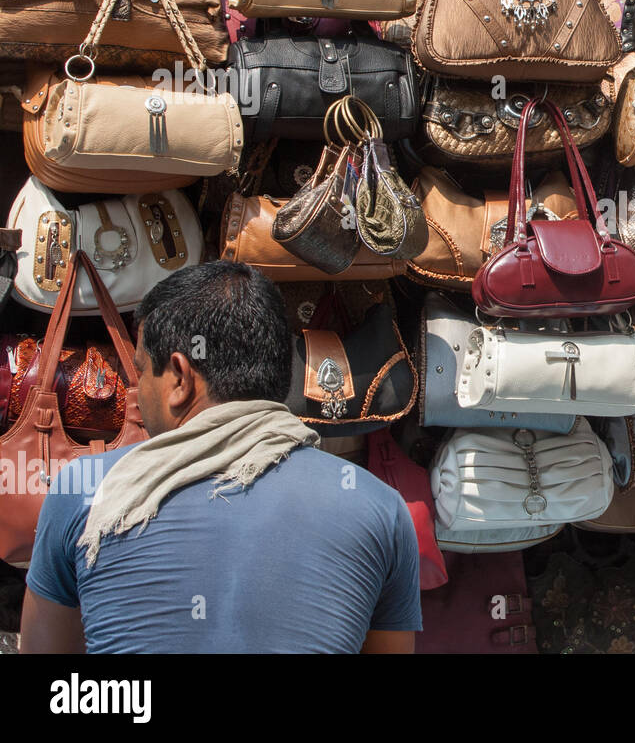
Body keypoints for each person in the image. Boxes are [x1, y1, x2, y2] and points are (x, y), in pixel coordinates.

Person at [19, 261, 421, 653]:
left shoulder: (87, 490)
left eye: (140, 372)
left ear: (178, 376)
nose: (136, 395)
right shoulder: (380, 508)